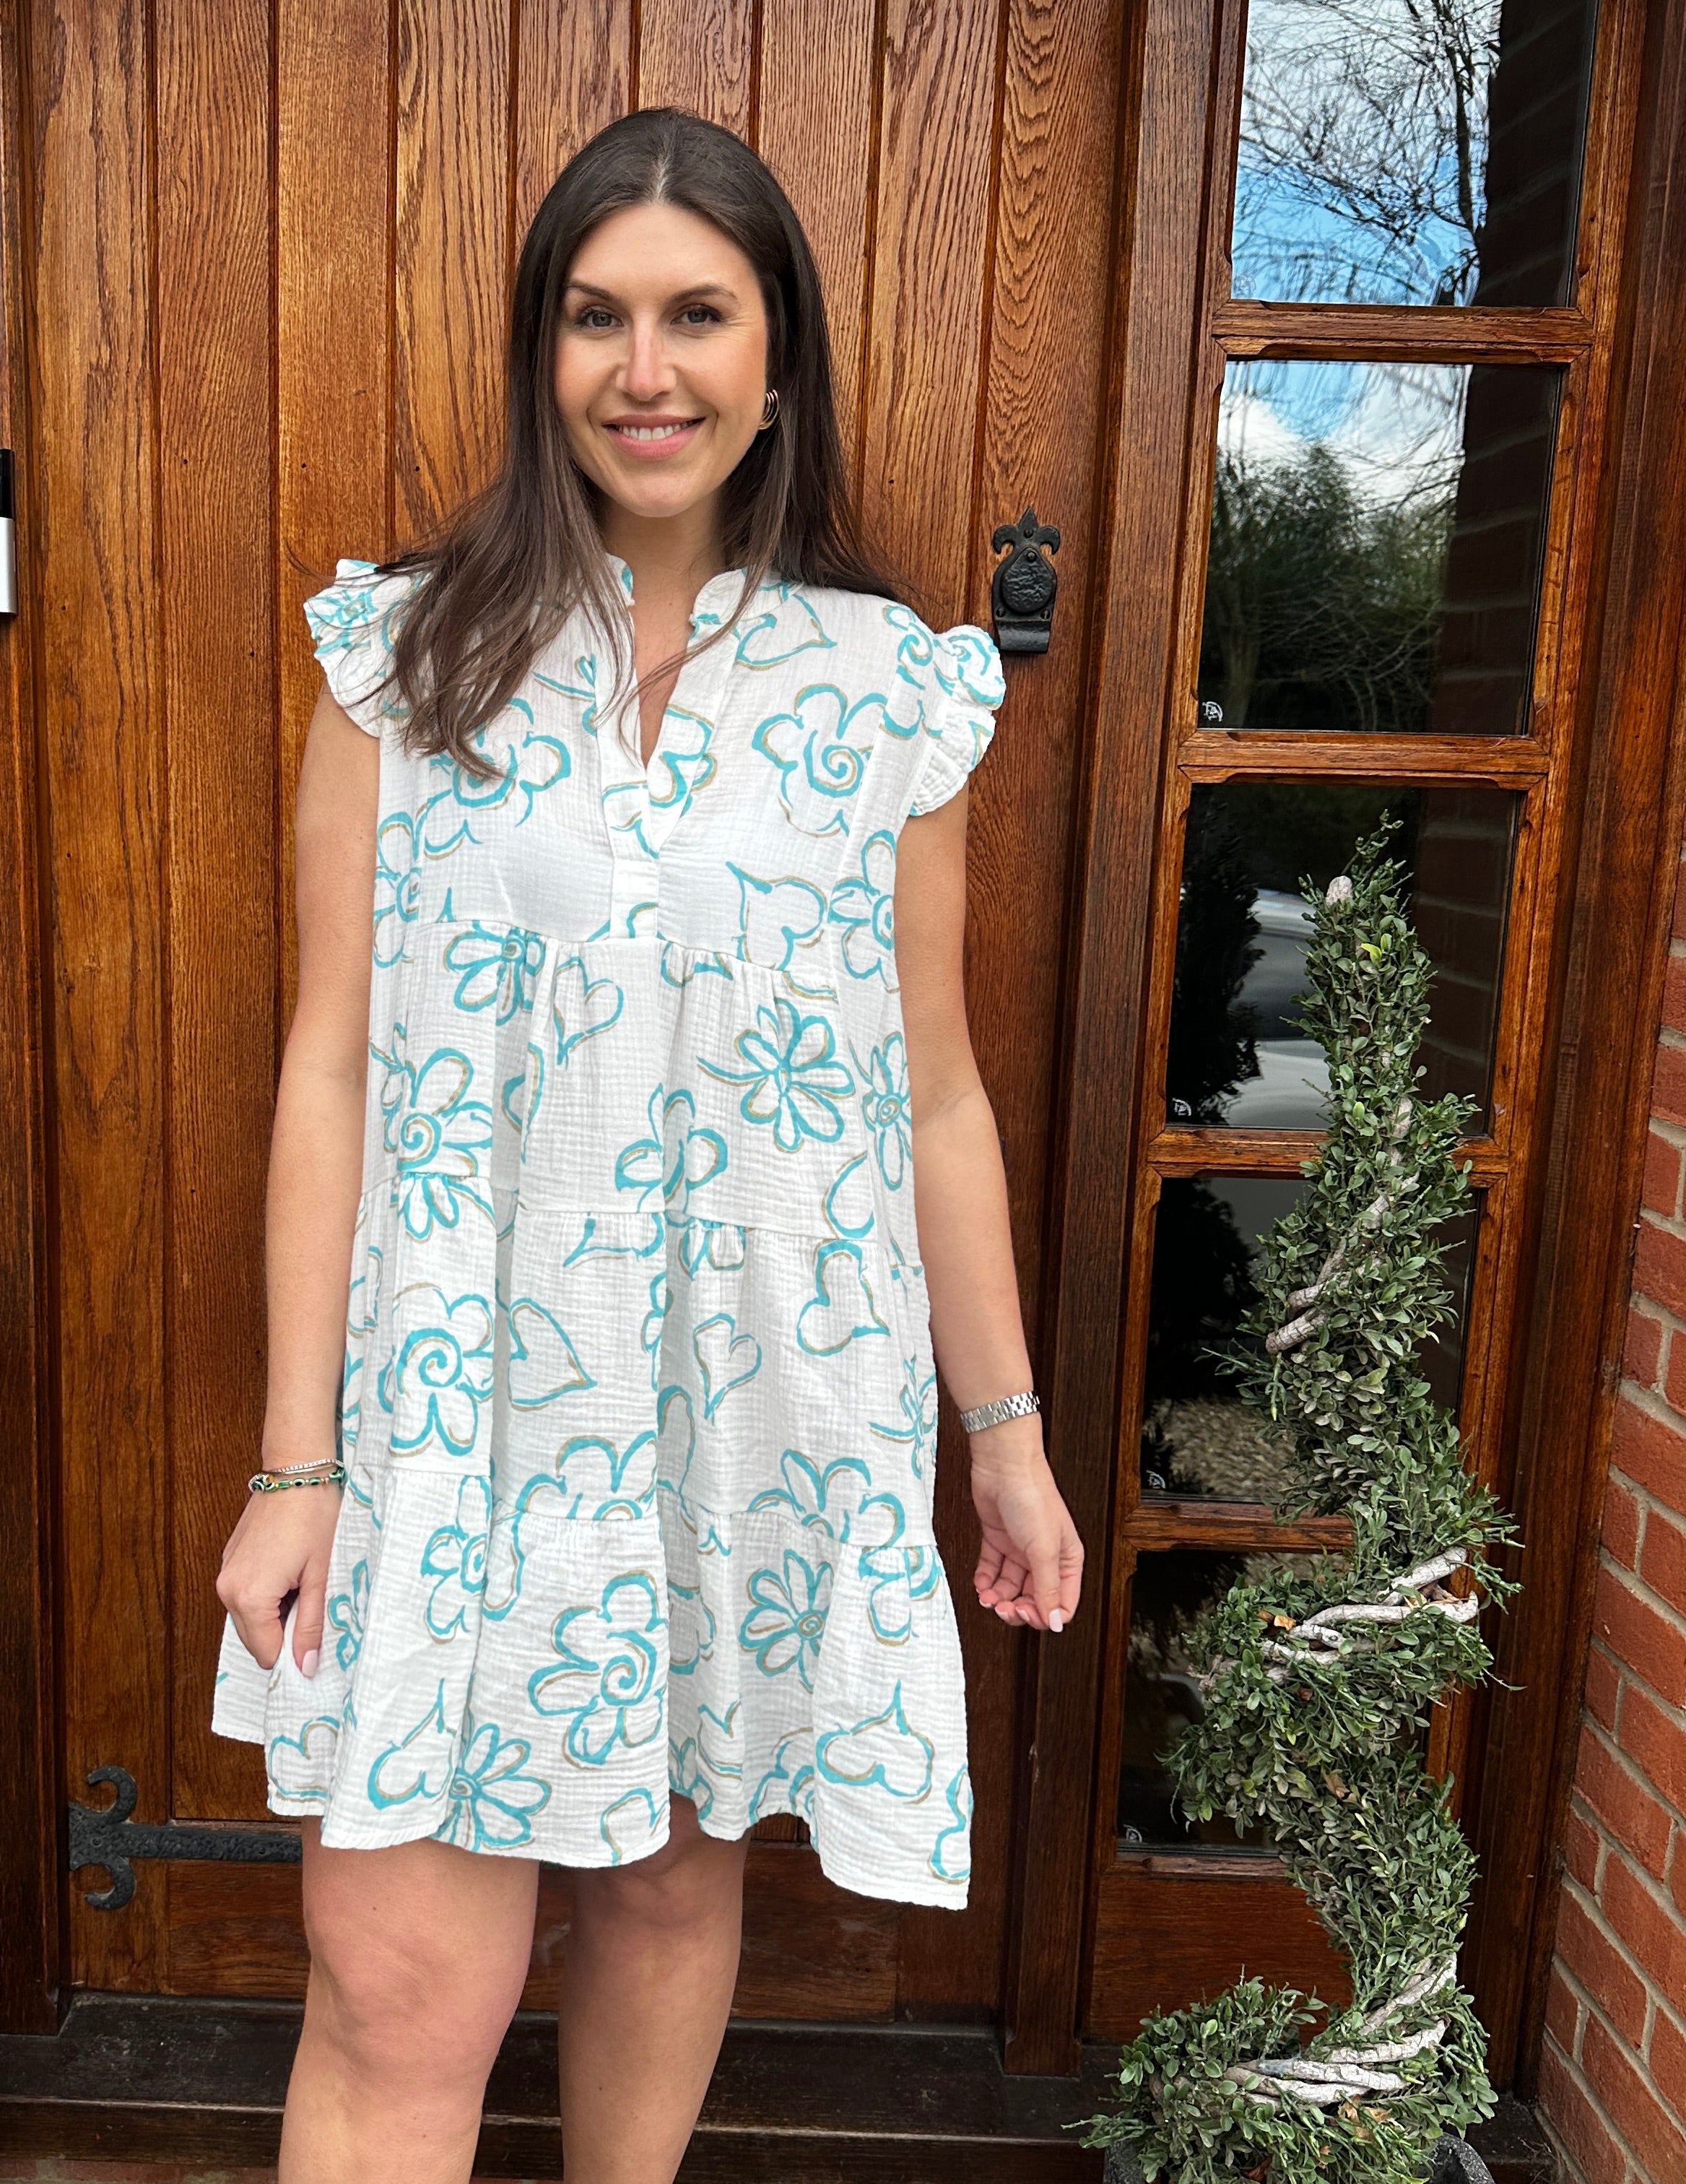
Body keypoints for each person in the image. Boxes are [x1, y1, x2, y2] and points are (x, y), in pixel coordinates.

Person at [212, 105, 1084, 2184]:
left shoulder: (886, 691)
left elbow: (933, 1089)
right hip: (460, 1423)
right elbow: (331, 1065)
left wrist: (1005, 1433)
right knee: (395, 1990)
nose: (646, 369)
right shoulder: (407, 656)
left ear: (777, 360)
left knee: (675, 1899)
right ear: (544, 352)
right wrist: (294, 1460)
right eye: (597, 317)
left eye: (699, 315)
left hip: (750, 1417)